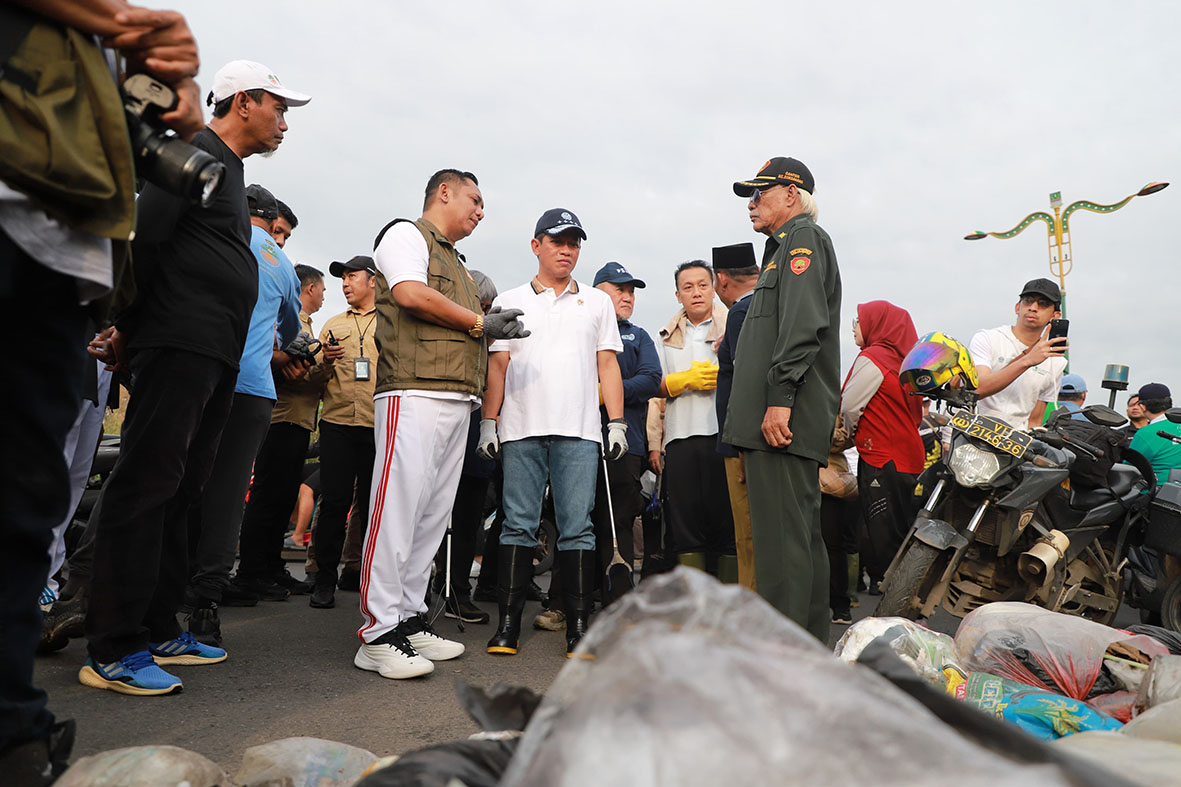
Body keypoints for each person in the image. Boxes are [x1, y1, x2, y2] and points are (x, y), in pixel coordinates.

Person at [0, 0, 206, 769]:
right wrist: (118, 19)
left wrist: (150, 85)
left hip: (59, 240)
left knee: (26, 503)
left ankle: (12, 729)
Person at [81, 59, 310, 698]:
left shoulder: (230, 175)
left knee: (184, 490)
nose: (285, 123)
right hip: (176, 344)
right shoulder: (191, 153)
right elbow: (143, 239)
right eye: (280, 108)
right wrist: (128, 324)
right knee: (146, 485)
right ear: (243, 102)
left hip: (214, 355)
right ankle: (114, 646)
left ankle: (158, 627)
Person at [355, 169, 527, 680]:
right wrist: (479, 322)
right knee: (397, 512)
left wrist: (488, 326)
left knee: (431, 517)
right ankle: (375, 632)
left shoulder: (454, 258)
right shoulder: (406, 235)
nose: (480, 210)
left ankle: (406, 619)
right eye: (474, 199)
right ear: (444, 193)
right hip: (412, 392)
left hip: (456, 396)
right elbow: (409, 293)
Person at [480, 208, 627, 658]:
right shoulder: (508, 299)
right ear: (536, 245)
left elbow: (608, 363)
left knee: (577, 529)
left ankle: (578, 627)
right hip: (522, 428)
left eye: (574, 243)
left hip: (579, 430)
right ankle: (508, 626)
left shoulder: (598, 302)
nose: (567, 250)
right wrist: (490, 418)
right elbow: (498, 364)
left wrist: (617, 422)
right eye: (557, 241)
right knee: (518, 525)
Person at [723, 156, 841, 643]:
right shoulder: (782, 249)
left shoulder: (802, 240)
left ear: (791, 195)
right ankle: (804, 651)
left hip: (781, 417)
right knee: (795, 540)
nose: (752, 204)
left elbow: (802, 326)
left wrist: (780, 399)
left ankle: (781, 659)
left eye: (759, 193)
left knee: (781, 546)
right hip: (779, 415)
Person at [185, 184, 302, 629]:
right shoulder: (282, 263)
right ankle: (206, 601)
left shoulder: (214, 233)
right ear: (274, 222)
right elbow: (290, 332)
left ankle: (166, 582)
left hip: (203, 375)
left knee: (178, 481)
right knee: (229, 495)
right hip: (252, 388)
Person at [234, 263, 327, 601]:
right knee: (267, 498)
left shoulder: (306, 325)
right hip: (281, 418)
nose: (325, 294)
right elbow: (290, 373)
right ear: (309, 288)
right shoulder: (287, 323)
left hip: (300, 421)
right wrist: (315, 362)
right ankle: (250, 573)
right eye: (322, 288)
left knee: (283, 496)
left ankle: (271, 567)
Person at [646, 260, 735, 578]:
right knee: (685, 524)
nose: (696, 292)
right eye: (688, 287)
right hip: (680, 438)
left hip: (722, 436)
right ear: (677, 295)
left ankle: (728, 603)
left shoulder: (734, 327)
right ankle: (693, 598)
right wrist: (682, 380)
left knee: (726, 521)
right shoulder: (665, 335)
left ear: (714, 288)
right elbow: (654, 388)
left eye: (702, 285)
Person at [582, 262, 661, 607]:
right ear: (599, 291)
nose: (628, 297)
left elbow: (651, 380)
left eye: (631, 291)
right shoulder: (580, 328)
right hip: (580, 437)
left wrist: (608, 389)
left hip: (626, 442)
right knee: (577, 519)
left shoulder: (638, 335)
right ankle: (568, 600)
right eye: (620, 289)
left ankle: (619, 599)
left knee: (621, 519)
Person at [308, 256, 379, 609]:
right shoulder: (332, 325)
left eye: (352, 276)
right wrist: (326, 361)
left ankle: (363, 574)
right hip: (336, 424)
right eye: (343, 278)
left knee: (373, 505)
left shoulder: (392, 324)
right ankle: (324, 579)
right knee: (334, 502)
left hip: (377, 426)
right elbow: (315, 381)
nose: (346, 283)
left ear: (373, 281)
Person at [840, 301, 923, 594]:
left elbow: (850, 405)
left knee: (881, 534)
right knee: (902, 530)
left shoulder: (873, 357)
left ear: (878, 325)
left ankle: (893, 602)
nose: (853, 328)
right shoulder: (907, 363)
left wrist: (846, 434)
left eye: (858, 321)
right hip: (908, 458)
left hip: (880, 456)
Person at [712, 243, 760, 590]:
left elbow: (747, 379)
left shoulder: (742, 313)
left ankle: (752, 612)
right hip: (753, 438)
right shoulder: (762, 307)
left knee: (748, 535)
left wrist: (741, 444)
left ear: (722, 280)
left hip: (743, 442)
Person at [967, 278, 1067, 430]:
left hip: (1014, 443)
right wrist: (1027, 360)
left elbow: (1035, 420)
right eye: (1028, 300)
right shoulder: (987, 338)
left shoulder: (1056, 362)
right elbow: (977, 389)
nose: (1033, 307)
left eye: (1043, 304)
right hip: (972, 432)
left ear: (1055, 315)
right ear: (1017, 307)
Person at [1128, 383, 1181, 486]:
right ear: (1171, 402)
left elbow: (1130, 468)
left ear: (1142, 407)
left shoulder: (1146, 433)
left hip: (1159, 494)